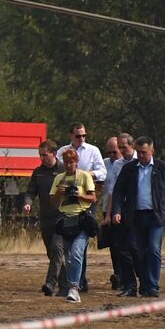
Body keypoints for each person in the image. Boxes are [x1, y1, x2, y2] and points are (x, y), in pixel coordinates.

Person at [110, 137, 165, 297]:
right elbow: (119, 191)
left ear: (152, 151)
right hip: (135, 216)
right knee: (137, 251)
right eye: (139, 152)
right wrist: (117, 211)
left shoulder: (163, 168)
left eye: (144, 152)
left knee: (154, 250)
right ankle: (142, 284)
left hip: (156, 217)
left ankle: (152, 285)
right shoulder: (129, 169)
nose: (141, 156)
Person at [56, 123, 106, 292]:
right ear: (71, 135)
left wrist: (86, 176)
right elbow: (56, 171)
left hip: (86, 200)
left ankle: (77, 282)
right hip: (67, 203)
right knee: (71, 247)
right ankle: (74, 281)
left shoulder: (93, 150)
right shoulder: (62, 151)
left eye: (84, 135)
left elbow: (102, 172)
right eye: (78, 136)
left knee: (80, 244)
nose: (82, 139)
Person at [50, 147, 97, 303]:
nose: (69, 165)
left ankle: (74, 288)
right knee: (69, 257)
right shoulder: (59, 179)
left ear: (76, 162)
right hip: (66, 221)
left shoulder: (84, 177)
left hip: (82, 220)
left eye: (72, 162)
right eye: (67, 162)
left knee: (77, 252)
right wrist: (59, 193)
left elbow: (93, 198)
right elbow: (54, 202)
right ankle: (73, 285)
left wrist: (79, 194)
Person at [22, 141, 66, 297]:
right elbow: (30, 191)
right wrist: (28, 203)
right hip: (45, 218)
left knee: (57, 249)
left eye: (44, 155)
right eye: (40, 155)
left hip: (62, 217)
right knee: (52, 253)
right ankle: (65, 286)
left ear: (54, 154)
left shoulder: (64, 170)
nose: (41, 158)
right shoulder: (38, 172)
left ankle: (50, 283)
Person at [105, 133, 137, 295]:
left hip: (140, 211)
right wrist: (110, 214)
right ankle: (127, 283)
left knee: (138, 248)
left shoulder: (141, 161)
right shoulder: (117, 165)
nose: (122, 151)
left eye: (124, 147)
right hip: (122, 211)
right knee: (121, 248)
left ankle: (146, 281)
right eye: (120, 148)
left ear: (132, 146)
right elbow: (113, 192)